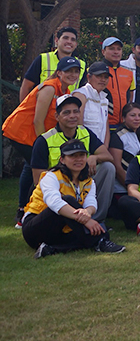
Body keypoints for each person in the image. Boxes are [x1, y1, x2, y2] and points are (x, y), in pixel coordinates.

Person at [5, 57, 82, 227]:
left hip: (30, 134)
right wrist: (44, 145)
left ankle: (24, 209)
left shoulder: (64, 90)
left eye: (76, 71)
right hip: (20, 131)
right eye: (68, 71)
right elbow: (37, 121)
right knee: (39, 168)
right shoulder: (49, 88)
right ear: (59, 72)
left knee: (30, 166)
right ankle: (26, 213)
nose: (72, 74)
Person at [22, 140, 125, 258]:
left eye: (81, 155)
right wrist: (87, 220)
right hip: (35, 227)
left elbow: (91, 203)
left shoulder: (88, 181)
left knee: (84, 236)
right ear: (62, 159)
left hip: (62, 229)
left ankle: (51, 249)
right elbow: (55, 203)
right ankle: (100, 241)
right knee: (67, 200)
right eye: (72, 156)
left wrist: (87, 212)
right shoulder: (51, 176)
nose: (78, 159)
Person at [30, 95, 116, 221]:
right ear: (57, 116)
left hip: (82, 182)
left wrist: (94, 157)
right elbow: (37, 179)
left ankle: (97, 218)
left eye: (76, 111)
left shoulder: (85, 132)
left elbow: (108, 156)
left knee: (108, 167)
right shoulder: (44, 140)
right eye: (66, 113)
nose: (72, 116)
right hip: (58, 188)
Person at [19, 26, 85, 101]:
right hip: (42, 109)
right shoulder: (42, 59)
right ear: (56, 40)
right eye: (65, 38)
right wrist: (25, 109)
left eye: (73, 40)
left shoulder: (82, 65)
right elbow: (26, 87)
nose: (69, 41)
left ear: (76, 44)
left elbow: (82, 92)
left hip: (68, 110)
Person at [108, 103, 140, 205]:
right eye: (132, 115)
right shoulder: (118, 135)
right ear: (124, 118)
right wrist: (131, 188)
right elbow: (117, 167)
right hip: (122, 190)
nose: (137, 118)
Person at [73, 61, 111, 148]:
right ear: (88, 77)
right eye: (99, 76)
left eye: (106, 77)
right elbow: (77, 125)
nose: (103, 80)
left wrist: (104, 149)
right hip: (82, 148)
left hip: (100, 150)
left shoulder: (104, 100)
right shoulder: (81, 95)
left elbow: (106, 128)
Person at [101, 37, 135, 127]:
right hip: (103, 124)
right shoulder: (95, 71)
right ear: (103, 52)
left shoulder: (129, 73)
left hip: (124, 124)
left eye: (119, 49)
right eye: (111, 49)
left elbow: (131, 97)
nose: (116, 52)